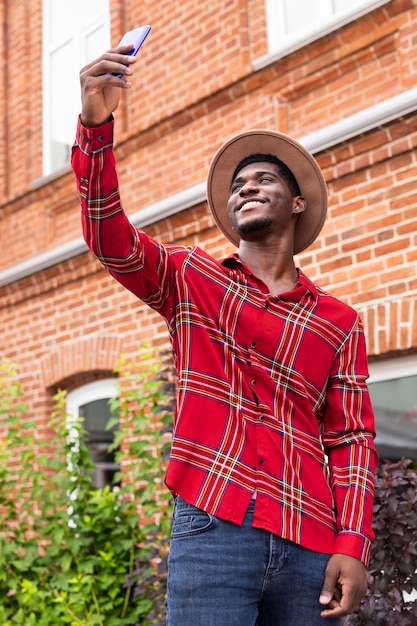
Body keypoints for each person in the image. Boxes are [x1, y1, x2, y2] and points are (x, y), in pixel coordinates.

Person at [71, 41, 378, 626]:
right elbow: (109, 236)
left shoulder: (338, 322)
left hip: (310, 538)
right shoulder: (189, 278)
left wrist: (352, 542)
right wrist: (95, 128)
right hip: (213, 523)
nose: (247, 187)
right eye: (238, 184)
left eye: (264, 179)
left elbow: (352, 440)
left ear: (296, 202)